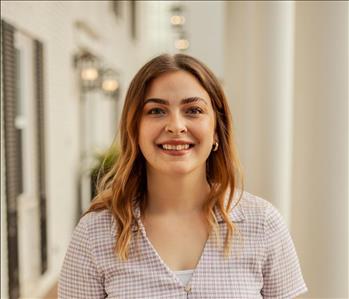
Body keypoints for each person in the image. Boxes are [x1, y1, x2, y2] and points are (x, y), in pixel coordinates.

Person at [58, 54, 308, 298]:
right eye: (156, 111)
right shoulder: (95, 233)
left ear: (217, 131)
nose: (176, 126)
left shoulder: (263, 223)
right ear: (134, 129)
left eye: (194, 110)